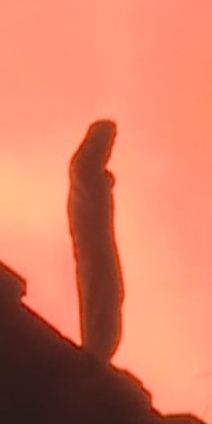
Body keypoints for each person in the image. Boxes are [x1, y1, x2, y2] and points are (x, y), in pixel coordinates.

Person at [68, 119, 124, 360]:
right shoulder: (82, 169)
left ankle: (99, 350)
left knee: (112, 291)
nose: (109, 150)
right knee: (102, 292)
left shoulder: (90, 172)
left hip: (102, 244)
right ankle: (96, 350)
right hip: (94, 247)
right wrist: (106, 182)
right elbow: (90, 193)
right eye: (107, 142)